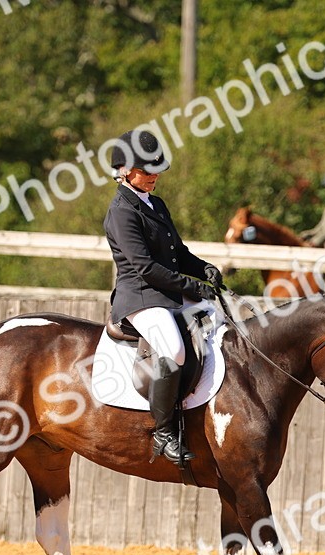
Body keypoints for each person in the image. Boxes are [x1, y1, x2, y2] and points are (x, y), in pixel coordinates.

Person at [104, 129, 222, 466]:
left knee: (221, 322)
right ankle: (164, 432)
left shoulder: (155, 203)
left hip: (168, 292)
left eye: (157, 169)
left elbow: (177, 253)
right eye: (147, 170)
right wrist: (192, 287)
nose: (155, 176)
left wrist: (203, 268)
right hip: (140, 297)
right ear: (125, 171)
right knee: (173, 348)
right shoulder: (121, 212)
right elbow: (145, 268)